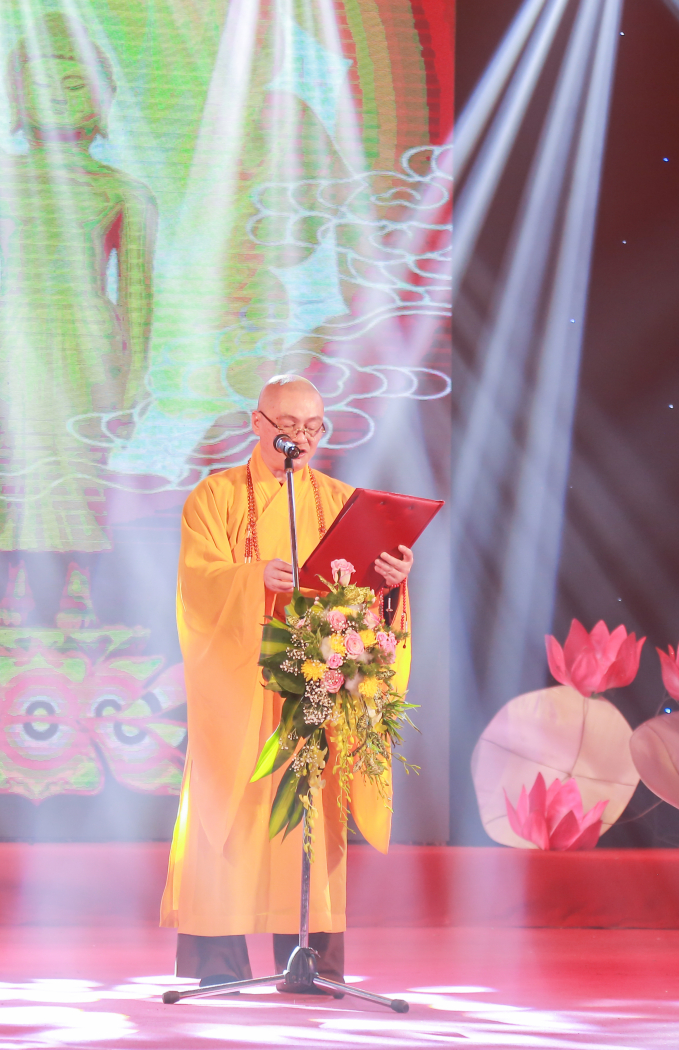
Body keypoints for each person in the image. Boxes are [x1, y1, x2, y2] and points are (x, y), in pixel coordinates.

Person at [160, 374, 414, 988]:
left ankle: (309, 962)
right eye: (289, 426)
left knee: (312, 819)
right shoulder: (214, 497)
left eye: (313, 427)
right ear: (258, 424)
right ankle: (219, 965)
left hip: (314, 688)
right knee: (228, 817)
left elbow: (363, 597)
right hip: (240, 689)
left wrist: (392, 580)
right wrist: (252, 579)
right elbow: (197, 585)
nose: (301, 438)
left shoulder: (342, 501)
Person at [0, 0, 157, 629]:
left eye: (77, 84)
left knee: (81, 459)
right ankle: (19, 592)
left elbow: (139, 295)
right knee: (20, 457)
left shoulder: (124, 193)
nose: (61, 95)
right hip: (19, 334)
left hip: (90, 337)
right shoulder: (3, 174)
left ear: (104, 99)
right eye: (43, 83)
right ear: (17, 97)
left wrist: (135, 377)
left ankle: (80, 590)